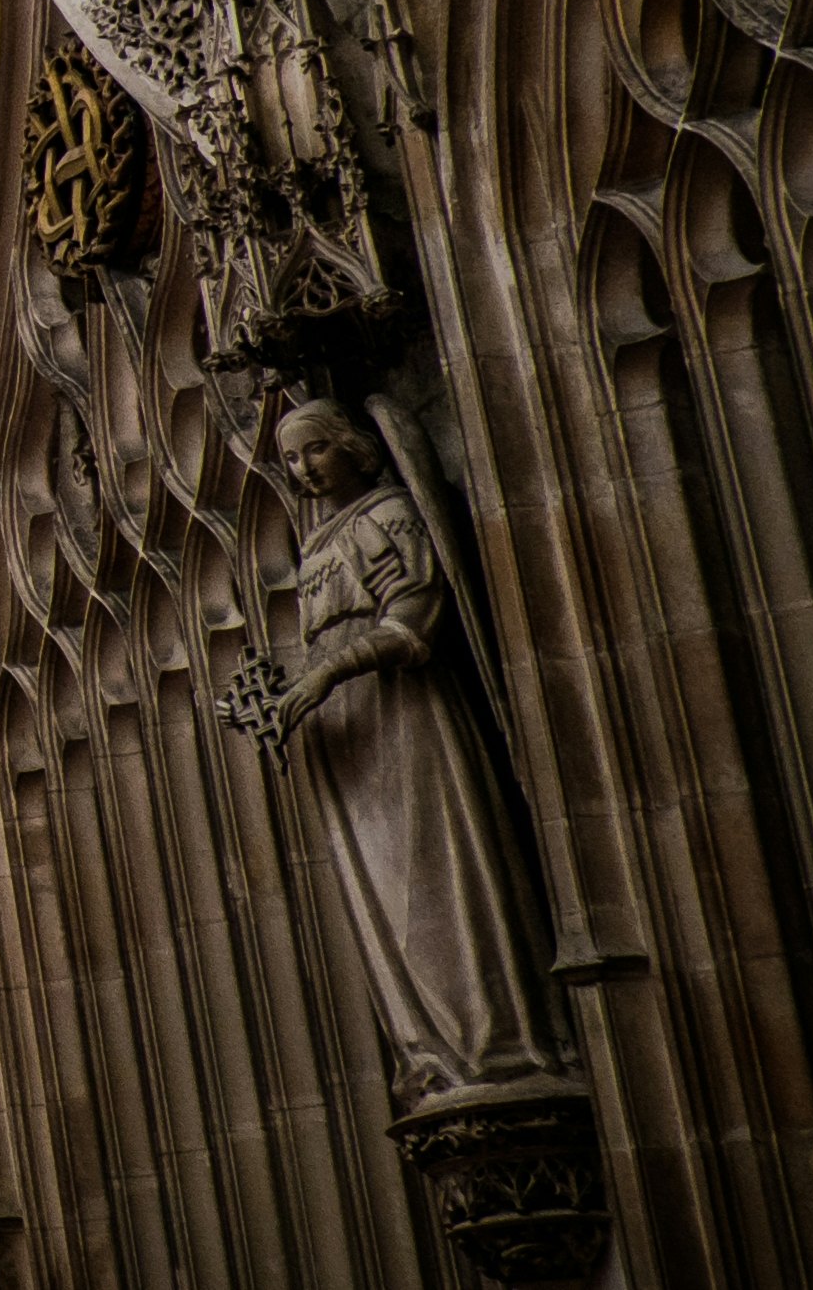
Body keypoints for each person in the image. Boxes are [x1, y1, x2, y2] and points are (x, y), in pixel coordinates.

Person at [240, 392, 575, 1107]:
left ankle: (494, 1044)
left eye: (314, 449)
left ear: (353, 446)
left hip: (404, 718)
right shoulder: (318, 541)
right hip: (347, 738)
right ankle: (425, 1050)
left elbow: (413, 621)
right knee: (382, 900)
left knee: (434, 871)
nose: (302, 468)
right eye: (290, 459)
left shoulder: (386, 514)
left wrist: (326, 671)